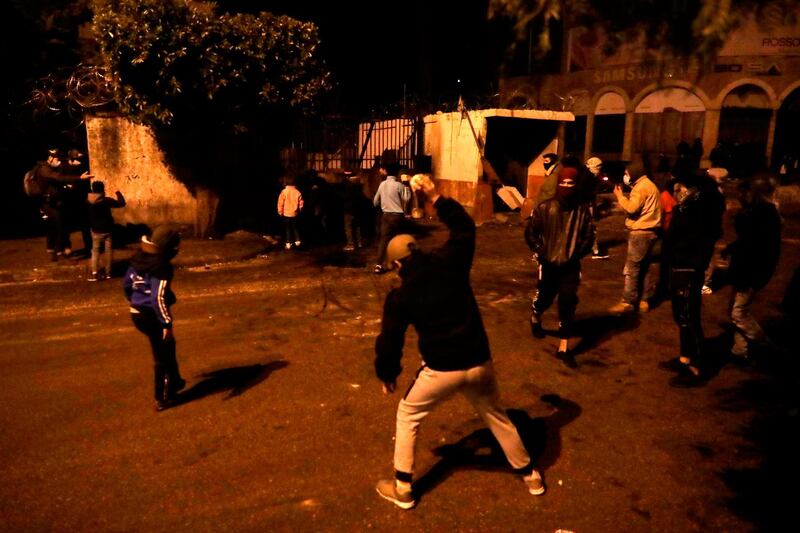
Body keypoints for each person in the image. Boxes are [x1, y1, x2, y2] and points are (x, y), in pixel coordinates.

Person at [374, 175, 545, 509]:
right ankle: (530, 475)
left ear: (397, 264)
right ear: (417, 250)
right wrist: (436, 196)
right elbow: (465, 228)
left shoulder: (400, 296)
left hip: (442, 369)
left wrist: (387, 372)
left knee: (408, 414)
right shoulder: (450, 262)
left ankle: (403, 489)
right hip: (479, 361)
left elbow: (390, 338)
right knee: (496, 414)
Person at [657, 175, 724, 387]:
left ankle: (696, 367)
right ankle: (685, 358)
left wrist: (680, 211)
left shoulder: (698, 213)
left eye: (684, 188)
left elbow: (681, 237)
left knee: (687, 317)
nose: (680, 192)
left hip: (688, 267)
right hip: (682, 266)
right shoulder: (693, 211)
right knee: (682, 316)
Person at [525, 168, 595, 366]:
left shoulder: (582, 211)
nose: (566, 187)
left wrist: (576, 252)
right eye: (562, 183)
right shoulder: (545, 208)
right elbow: (531, 232)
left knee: (568, 300)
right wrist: (542, 250)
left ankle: (564, 347)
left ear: (576, 185)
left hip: (570, 266)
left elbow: (589, 237)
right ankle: (535, 317)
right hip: (548, 264)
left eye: (570, 184)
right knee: (545, 297)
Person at [123, 226, 186, 411]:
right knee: (162, 356)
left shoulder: (138, 259)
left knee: (169, 346)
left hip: (136, 312)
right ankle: (162, 396)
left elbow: (127, 283)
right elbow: (157, 297)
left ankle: (175, 381)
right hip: (151, 316)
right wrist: (166, 323)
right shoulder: (162, 267)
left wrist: (133, 300)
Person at [722, 176, 782, 362]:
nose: (740, 196)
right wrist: (731, 248)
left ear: (753, 193)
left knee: (738, 313)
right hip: (748, 269)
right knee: (736, 309)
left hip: (751, 271)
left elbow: (753, 241)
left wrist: (739, 218)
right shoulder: (761, 211)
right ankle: (740, 350)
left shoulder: (763, 213)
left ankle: (767, 346)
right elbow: (747, 240)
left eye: (743, 192)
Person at [609, 163, 662, 314]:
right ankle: (644, 300)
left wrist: (620, 197)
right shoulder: (651, 185)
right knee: (645, 267)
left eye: (627, 173)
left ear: (634, 173)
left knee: (632, 268)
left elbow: (631, 208)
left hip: (640, 232)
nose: (625, 176)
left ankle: (628, 301)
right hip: (652, 232)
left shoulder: (640, 188)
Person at [373, 162, 411, 273]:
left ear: (387, 172)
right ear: (397, 174)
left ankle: (378, 265)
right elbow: (407, 199)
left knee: (384, 241)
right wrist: (406, 185)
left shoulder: (382, 184)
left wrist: (382, 203)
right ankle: (400, 262)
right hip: (398, 217)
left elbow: (375, 202)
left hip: (386, 216)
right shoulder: (399, 185)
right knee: (399, 240)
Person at [86, 181, 126, 281]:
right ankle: (108, 273)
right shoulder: (106, 200)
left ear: (93, 189)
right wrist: (117, 192)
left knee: (95, 251)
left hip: (95, 230)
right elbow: (121, 203)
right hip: (107, 229)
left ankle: (94, 273)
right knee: (108, 251)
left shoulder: (87, 201)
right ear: (103, 189)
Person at [583, 156, 609, 259]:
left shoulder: (587, 175)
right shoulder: (588, 177)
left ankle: (593, 249)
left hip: (586, 205)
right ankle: (595, 251)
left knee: (587, 228)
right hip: (586, 206)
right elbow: (587, 193)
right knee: (590, 228)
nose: (600, 170)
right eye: (599, 167)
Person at [277, 175, 304, 250]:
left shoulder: (284, 192)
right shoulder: (297, 192)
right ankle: (298, 241)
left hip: (286, 214)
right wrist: (300, 210)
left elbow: (280, 203)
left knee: (288, 229)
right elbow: (301, 203)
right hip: (295, 214)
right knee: (295, 228)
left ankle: (288, 244)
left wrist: (280, 212)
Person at [342, 171, 367, 251]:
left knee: (348, 227)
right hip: (358, 209)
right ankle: (359, 242)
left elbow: (345, 197)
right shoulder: (359, 185)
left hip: (349, 209)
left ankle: (350, 244)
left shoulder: (348, 185)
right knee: (357, 227)